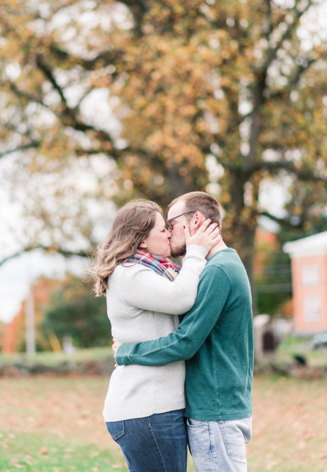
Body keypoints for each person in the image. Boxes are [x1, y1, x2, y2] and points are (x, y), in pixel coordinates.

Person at [113, 191, 254, 472]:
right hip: (216, 409)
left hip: (215, 411)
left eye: (171, 224)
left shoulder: (219, 271)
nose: (168, 233)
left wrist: (126, 351)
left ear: (196, 221)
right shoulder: (220, 266)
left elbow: (185, 341)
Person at [90, 199, 222, 472]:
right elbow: (181, 298)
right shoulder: (130, 273)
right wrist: (195, 252)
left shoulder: (154, 270)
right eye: (163, 229)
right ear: (142, 241)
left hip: (154, 409)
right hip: (147, 410)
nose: (170, 234)